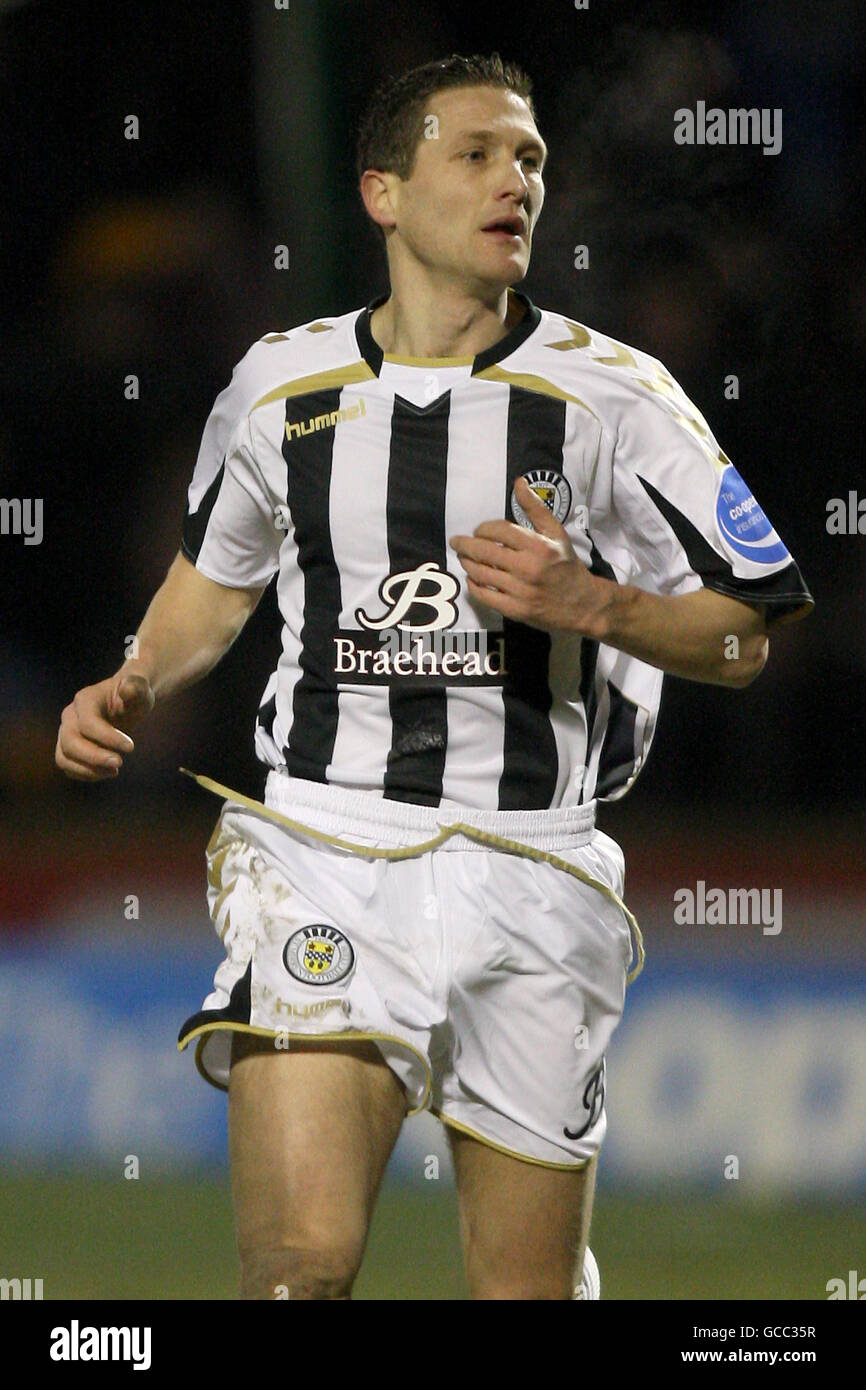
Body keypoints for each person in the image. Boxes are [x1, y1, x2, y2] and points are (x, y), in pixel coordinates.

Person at [55, 53, 812, 1301]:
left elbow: (746, 636)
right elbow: (216, 581)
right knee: (297, 1269)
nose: (513, 180)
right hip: (323, 847)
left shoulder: (614, 397)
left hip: (538, 866)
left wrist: (598, 603)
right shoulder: (276, 387)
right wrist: (132, 679)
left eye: (529, 161)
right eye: (475, 154)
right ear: (383, 193)